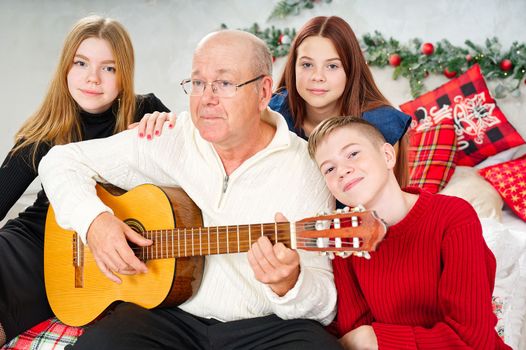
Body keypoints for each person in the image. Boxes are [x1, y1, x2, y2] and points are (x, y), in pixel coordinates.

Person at [38, 29, 340, 349]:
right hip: (168, 315)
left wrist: (290, 283)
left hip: (263, 329)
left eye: (224, 83)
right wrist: (94, 222)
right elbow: (59, 161)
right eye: (197, 83)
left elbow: (325, 304)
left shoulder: (307, 169)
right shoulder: (170, 136)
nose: (206, 98)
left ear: (263, 91)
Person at [0, 15, 170, 346]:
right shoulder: (44, 130)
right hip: (29, 242)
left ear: (124, 75)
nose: (92, 78)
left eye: (108, 68)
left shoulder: (146, 112)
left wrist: (168, 133)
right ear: (66, 67)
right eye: (81, 63)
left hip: (74, 263)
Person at [307, 116, 511, 350]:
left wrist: (377, 339)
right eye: (329, 169)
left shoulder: (453, 217)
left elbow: (473, 341)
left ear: (387, 156)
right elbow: (355, 332)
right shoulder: (344, 237)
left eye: (353, 154)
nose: (342, 171)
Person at [269, 15, 411, 187]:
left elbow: (387, 201)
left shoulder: (379, 123)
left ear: (350, 70)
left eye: (332, 66)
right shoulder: (273, 113)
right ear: (293, 67)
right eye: (307, 65)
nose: (317, 76)